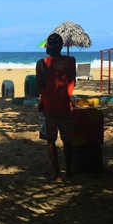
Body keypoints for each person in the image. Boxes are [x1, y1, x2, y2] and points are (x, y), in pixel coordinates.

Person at [36, 33, 77, 181]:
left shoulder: (41, 64)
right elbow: (74, 82)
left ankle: (57, 174)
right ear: (61, 47)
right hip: (66, 106)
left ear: (48, 48)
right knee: (68, 141)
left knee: (51, 141)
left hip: (48, 107)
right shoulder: (71, 61)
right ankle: (70, 172)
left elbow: (38, 86)